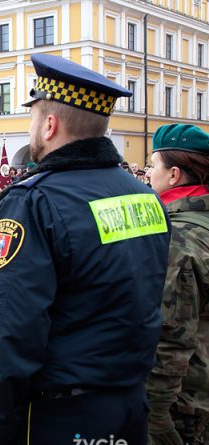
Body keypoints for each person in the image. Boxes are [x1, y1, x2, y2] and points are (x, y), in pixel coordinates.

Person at [0, 54, 171, 444]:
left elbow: (7, 328)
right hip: (129, 403)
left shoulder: (33, 202)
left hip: (62, 415)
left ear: (49, 124)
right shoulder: (144, 196)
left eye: (32, 119)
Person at [145, 124, 209, 445]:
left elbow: (170, 341)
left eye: (151, 165)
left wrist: (156, 418)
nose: (147, 174)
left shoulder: (178, 238)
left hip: (187, 407)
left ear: (173, 175)